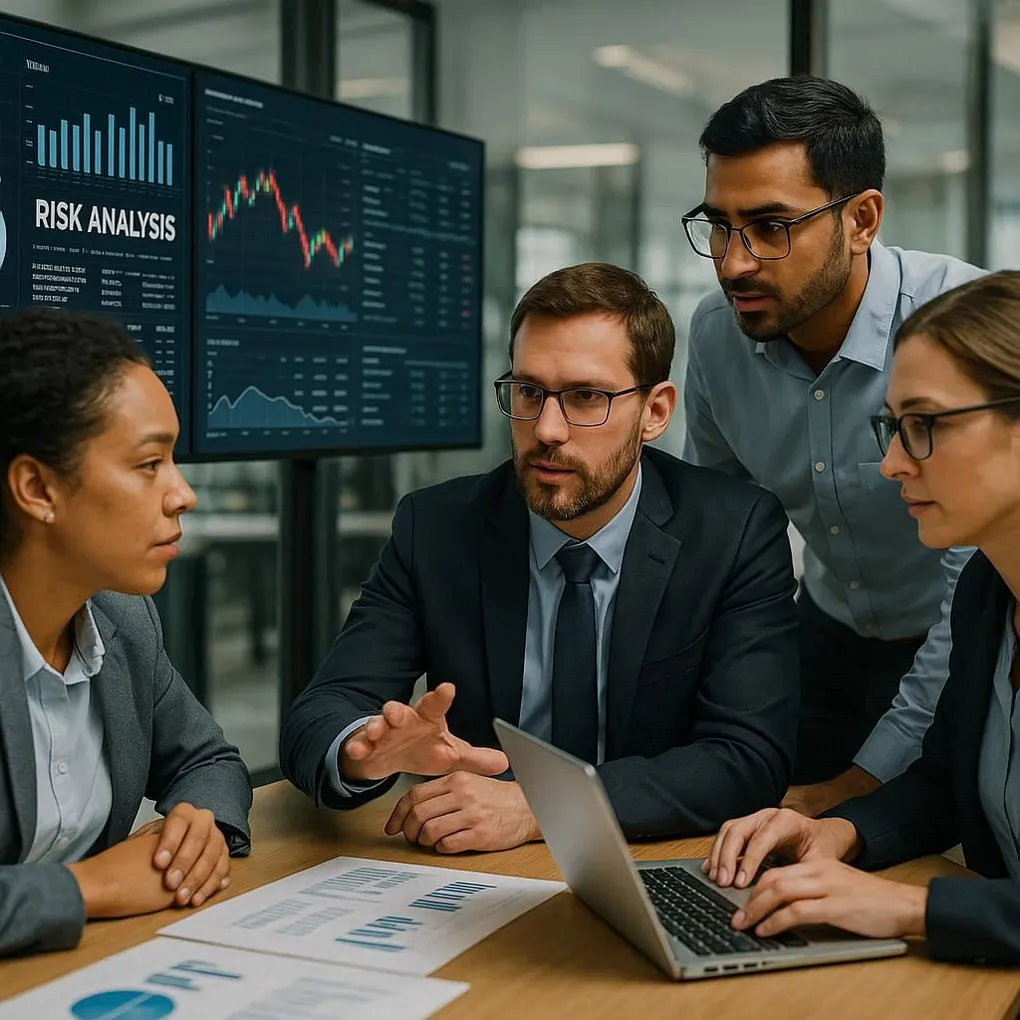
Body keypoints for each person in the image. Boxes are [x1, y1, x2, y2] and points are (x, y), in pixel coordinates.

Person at [281, 262, 799, 853]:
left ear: (655, 412)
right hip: (477, 870)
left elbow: (749, 758)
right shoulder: (437, 528)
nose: (547, 429)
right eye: (529, 392)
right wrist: (363, 750)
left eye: (586, 397)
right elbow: (319, 713)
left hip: (650, 857)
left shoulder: (733, 531)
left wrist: (542, 809)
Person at [680, 75, 982, 810]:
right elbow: (716, 542)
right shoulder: (718, 337)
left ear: (863, 219)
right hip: (825, 629)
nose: (734, 262)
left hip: (963, 634)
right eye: (719, 225)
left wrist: (859, 786)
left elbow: (974, 591)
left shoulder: (966, 331)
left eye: (771, 227)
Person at [704, 270, 1020, 963]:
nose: (891, 464)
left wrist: (914, 907)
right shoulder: (986, 596)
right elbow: (944, 782)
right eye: (893, 426)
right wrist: (839, 833)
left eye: (923, 427)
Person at [0, 309, 252, 958]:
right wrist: (85, 890)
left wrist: (197, 830)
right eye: (149, 464)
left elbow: (209, 761)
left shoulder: (121, 619)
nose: (183, 494)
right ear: (36, 488)